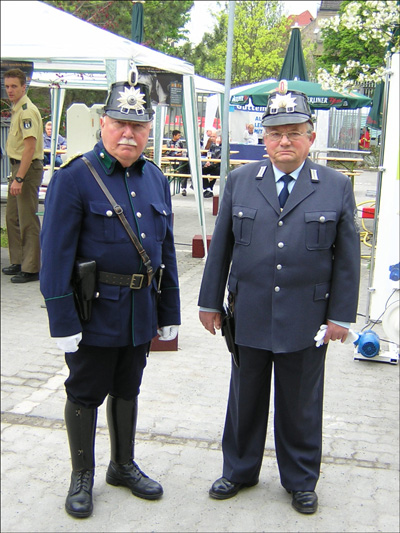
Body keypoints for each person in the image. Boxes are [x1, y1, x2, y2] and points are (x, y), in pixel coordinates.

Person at [198, 85, 360, 514]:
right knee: (244, 398)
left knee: (301, 404)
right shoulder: (239, 181)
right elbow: (222, 249)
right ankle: (238, 470)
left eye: (293, 132)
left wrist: (341, 315)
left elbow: (347, 258)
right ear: (263, 138)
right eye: (274, 133)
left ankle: (302, 480)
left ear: (310, 136)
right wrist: (209, 302)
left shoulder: (335, 185)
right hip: (248, 311)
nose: (284, 141)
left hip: (307, 318)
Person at [40, 79, 181, 519]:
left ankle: (122, 466)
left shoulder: (155, 177)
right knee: (84, 392)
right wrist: (61, 320)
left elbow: (166, 249)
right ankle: (82, 473)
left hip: (140, 311)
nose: (128, 134)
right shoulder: (75, 178)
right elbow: (54, 257)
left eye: (138, 126)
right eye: (119, 123)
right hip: (94, 309)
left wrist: (169, 309)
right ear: (103, 124)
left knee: (128, 388)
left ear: (149, 129)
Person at [2, 68, 44, 283]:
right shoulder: (18, 108)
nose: (10, 90)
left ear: (23, 86)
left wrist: (19, 178)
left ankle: (31, 267)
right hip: (17, 168)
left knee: (27, 219)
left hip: (26, 169)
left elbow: (30, 147)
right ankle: (18, 260)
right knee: (12, 217)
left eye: (14, 86)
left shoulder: (27, 111)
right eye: (7, 86)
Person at [165, 129, 189, 195]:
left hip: (179, 158)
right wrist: (175, 154)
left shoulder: (180, 142)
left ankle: (180, 173)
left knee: (183, 167)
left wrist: (180, 154)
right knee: (182, 170)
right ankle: (179, 172)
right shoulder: (169, 142)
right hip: (172, 158)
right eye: (178, 135)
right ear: (174, 135)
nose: (179, 136)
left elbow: (183, 150)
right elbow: (168, 151)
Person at [202, 133, 221, 198]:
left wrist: (217, 145)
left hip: (219, 165)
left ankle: (209, 188)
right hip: (211, 164)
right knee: (201, 171)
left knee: (216, 171)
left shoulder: (224, 146)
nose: (212, 138)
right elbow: (209, 154)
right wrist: (207, 161)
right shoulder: (212, 145)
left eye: (214, 136)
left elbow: (219, 156)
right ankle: (208, 188)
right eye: (211, 137)